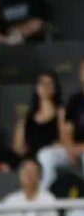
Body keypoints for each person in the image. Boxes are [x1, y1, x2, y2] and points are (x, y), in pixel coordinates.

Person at [36, 59, 84, 188]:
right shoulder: (75, 99)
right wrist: (71, 148)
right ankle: (47, 199)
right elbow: (66, 129)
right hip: (73, 149)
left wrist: (80, 148)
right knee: (46, 155)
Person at [12, 71, 63, 166]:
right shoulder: (26, 117)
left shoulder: (61, 113)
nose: (45, 86)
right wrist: (22, 150)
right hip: (30, 159)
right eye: (42, 83)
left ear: (55, 89)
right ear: (36, 88)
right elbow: (17, 147)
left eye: (49, 83)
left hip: (51, 158)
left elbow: (64, 141)